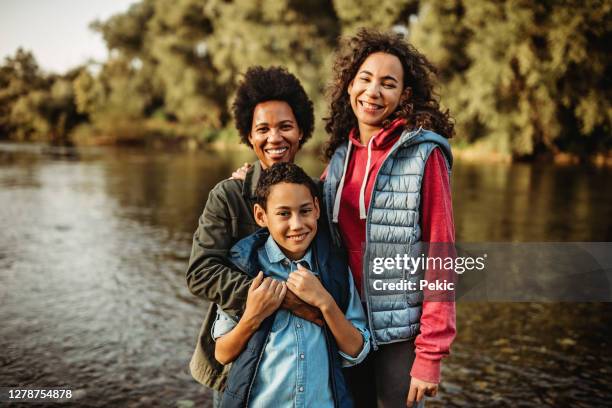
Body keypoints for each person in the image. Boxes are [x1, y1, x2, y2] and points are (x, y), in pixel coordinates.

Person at [322, 28, 457, 407]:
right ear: (349, 86)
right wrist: (251, 181)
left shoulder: (423, 155)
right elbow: (300, 213)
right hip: (347, 323)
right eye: (364, 79)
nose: (373, 92)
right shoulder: (339, 158)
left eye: (388, 83)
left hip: (400, 333)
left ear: (404, 95)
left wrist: (430, 354)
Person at [186, 66, 324, 399]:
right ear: (249, 137)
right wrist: (283, 299)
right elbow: (201, 273)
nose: (274, 138)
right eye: (262, 129)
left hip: (304, 366)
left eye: (285, 127)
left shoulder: (318, 196)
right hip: (239, 364)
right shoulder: (229, 196)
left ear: (302, 132)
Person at [212, 162, 370, 407]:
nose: (297, 224)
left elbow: (357, 351)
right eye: (284, 214)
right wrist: (252, 316)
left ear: (317, 209)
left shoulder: (335, 267)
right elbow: (222, 353)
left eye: (305, 211)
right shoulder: (244, 265)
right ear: (260, 216)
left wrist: (324, 302)